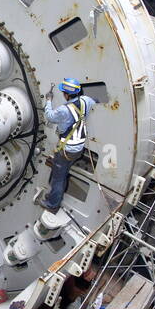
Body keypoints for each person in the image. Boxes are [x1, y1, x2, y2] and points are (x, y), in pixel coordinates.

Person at [42, 78, 95, 213]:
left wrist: (48, 100)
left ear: (66, 94)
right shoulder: (85, 101)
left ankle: (52, 204)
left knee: (58, 178)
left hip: (67, 150)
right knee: (64, 172)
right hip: (79, 149)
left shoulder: (64, 110)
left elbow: (50, 116)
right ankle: (55, 196)